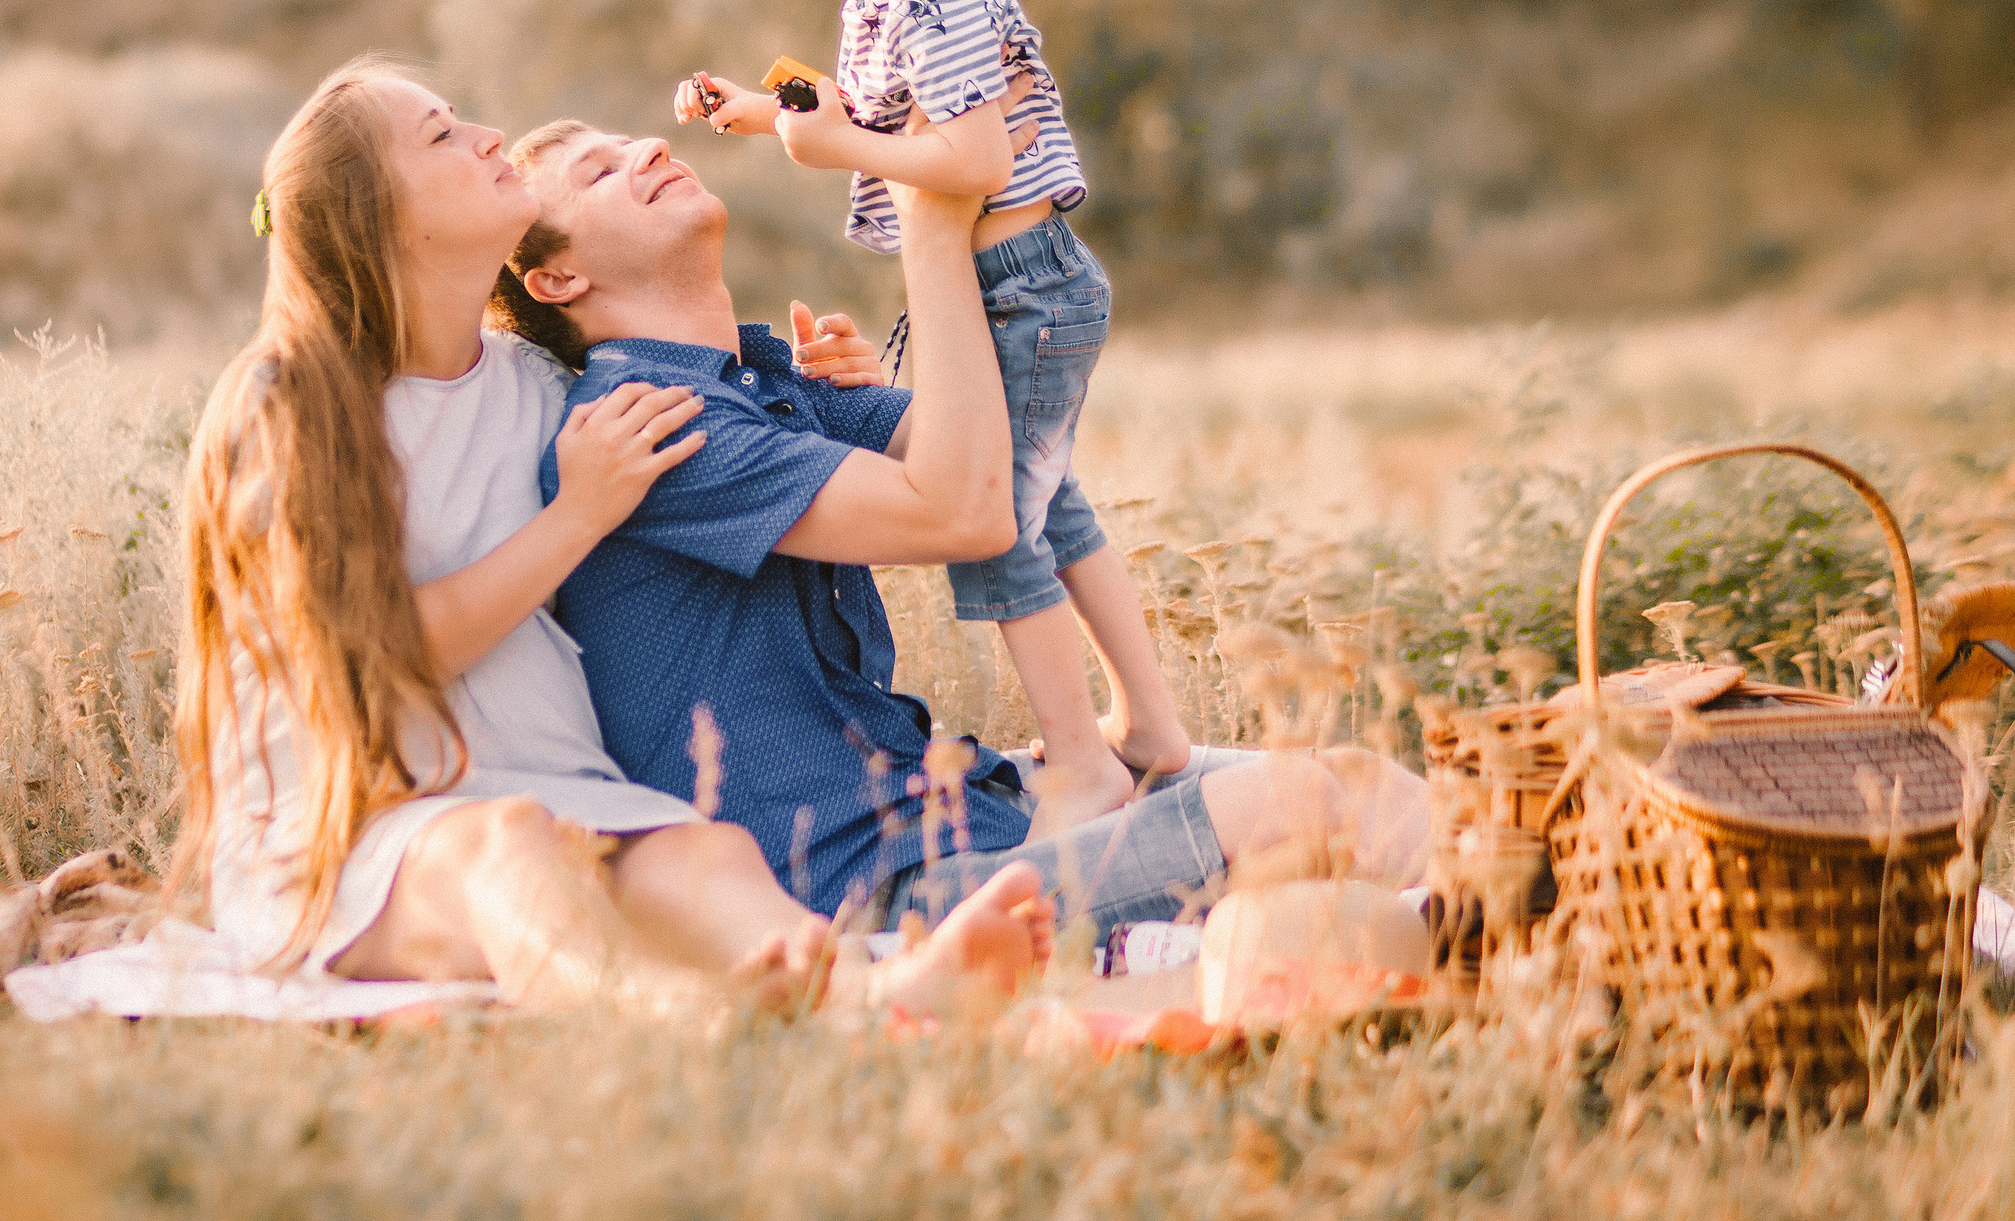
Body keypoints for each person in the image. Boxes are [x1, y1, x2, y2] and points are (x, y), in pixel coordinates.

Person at [172, 56, 1051, 1017]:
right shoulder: (290, 399)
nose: (486, 138)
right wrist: (572, 519)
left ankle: (872, 998)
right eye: (441, 136)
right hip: (356, 825)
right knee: (501, 848)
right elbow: (372, 659)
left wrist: (806, 398)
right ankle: (667, 1023)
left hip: (566, 796)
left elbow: (714, 417)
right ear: (380, 216)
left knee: (708, 853)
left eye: (463, 116)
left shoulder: (535, 387)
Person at [497, 120, 1430, 942]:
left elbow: (1017, 468)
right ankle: (1517, 926)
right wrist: (930, 228)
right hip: (868, 891)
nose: (648, 150)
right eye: (598, 171)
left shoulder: (763, 378)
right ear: (558, 276)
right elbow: (966, 513)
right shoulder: (644, 424)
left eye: (631, 143)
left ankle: (1531, 912)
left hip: (956, 807)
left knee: (1366, 784)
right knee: (1308, 805)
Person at [671, 0, 1187, 838]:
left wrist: (830, 146)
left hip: (1024, 285)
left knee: (997, 524)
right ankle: (1147, 726)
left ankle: (1084, 763)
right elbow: (866, 112)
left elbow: (968, 159)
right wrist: (769, 115)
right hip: (1006, 285)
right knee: (1051, 507)